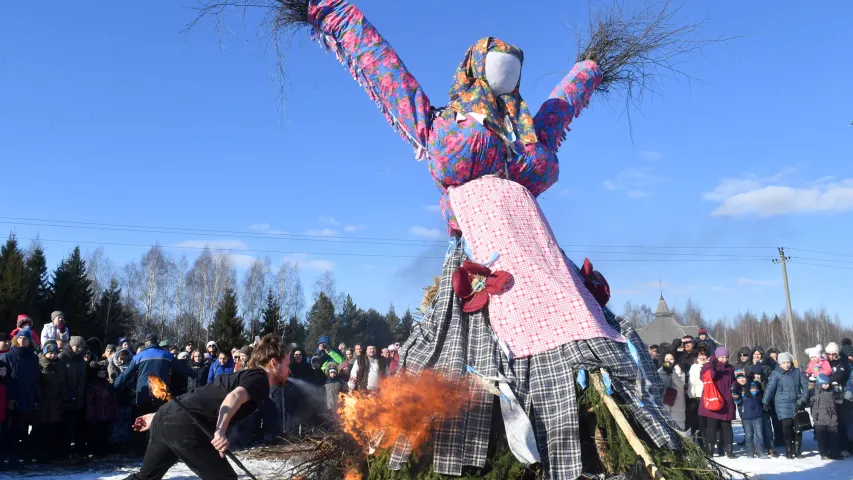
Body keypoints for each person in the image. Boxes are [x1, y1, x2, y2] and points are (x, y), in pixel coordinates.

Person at [122, 335, 291, 480]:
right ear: (274, 363)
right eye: (287, 365)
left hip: (168, 416)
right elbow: (233, 397)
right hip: (185, 425)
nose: (289, 371)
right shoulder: (260, 379)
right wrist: (220, 431)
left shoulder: (244, 375)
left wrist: (158, 415)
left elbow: (197, 395)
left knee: (145, 477)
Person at [114, 333, 198, 456]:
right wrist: (194, 374)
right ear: (156, 342)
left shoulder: (139, 356)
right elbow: (183, 368)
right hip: (160, 395)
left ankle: (140, 450)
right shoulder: (166, 355)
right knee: (159, 421)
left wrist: (113, 387)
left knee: (141, 421)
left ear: (146, 343)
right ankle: (159, 450)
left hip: (143, 395)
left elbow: (125, 375)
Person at [0, 327, 39, 465]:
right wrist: (10, 398)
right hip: (12, 398)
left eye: (25, 338)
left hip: (27, 397)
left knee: (21, 429)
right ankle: (5, 456)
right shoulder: (7, 356)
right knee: (8, 429)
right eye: (20, 338)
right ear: (16, 340)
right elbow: (5, 380)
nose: (22, 340)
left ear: (30, 341)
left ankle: (16, 457)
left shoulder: (34, 358)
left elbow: (35, 379)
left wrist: (35, 397)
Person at [763, 352, 809, 459]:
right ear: (779, 364)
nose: (786, 365)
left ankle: (797, 450)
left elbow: (805, 387)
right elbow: (770, 388)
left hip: (797, 403)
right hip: (782, 403)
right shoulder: (776, 373)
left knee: (798, 427)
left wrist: (803, 399)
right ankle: (789, 449)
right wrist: (765, 401)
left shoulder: (797, 372)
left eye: (788, 362)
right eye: (783, 363)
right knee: (787, 425)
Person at [699, 347, 736, 458]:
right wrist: (714, 368)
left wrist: (735, 385)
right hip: (712, 399)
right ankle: (710, 449)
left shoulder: (730, 368)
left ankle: (729, 449)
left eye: (726, 357)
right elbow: (705, 378)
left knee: (727, 426)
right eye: (722, 357)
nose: (724, 360)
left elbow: (734, 380)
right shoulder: (708, 366)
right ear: (716, 356)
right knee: (711, 426)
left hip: (726, 400)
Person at [34, 341, 66, 463]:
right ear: (45, 353)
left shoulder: (60, 366)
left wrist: (63, 397)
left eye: (54, 353)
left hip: (55, 401)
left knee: (52, 428)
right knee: (40, 428)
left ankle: (50, 453)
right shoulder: (40, 365)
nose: (53, 355)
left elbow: (62, 383)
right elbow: (37, 382)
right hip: (43, 400)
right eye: (50, 353)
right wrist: (39, 396)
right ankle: (38, 454)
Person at [59, 335, 89, 459]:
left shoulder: (81, 359)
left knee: (78, 425)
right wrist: (66, 394)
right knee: (66, 426)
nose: (79, 349)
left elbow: (83, 378)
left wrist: (80, 393)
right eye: (77, 346)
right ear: (71, 345)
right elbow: (61, 379)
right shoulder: (63, 358)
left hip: (79, 397)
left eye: (81, 347)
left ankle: (77, 450)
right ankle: (64, 450)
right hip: (65, 397)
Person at [732, 371, 767, 459]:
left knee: (759, 433)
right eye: (739, 378)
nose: (741, 380)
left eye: (743, 377)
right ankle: (750, 451)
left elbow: (757, 396)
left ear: (746, 378)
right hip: (746, 415)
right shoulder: (737, 389)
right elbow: (738, 402)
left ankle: (760, 451)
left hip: (757, 413)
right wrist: (734, 393)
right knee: (748, 434)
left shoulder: (753, 385)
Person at [810, 373, 842, 460]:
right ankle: (824, 453)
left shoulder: (832, 392)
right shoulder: (814, 393)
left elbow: (839, 400)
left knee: (834, 436)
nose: (826, 385)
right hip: (819, 418)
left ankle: (835, 453)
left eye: (828, 383)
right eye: (824, 384)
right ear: (819, 383)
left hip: (832, 417)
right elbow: (810, 403)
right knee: (822, 437)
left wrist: (838, 391)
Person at [658, 352, 686, 431]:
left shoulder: (679, 370)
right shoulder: (660, 371)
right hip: (664, 404)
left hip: (677, 405)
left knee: (678, 430)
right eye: (667, 359)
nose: (669, 361)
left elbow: (681, 385)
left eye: (671, 359)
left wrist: (672, 373)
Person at [687, 345, 709, 443]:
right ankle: (697, 441)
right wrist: (692, 396)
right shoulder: (694, 367)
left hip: (709, 396)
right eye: (700, 355)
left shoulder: (710, 366)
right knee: (697, 421)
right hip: (697, 397)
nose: (702, 357)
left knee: (707, 422)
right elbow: (691, 382)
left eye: (704, 355)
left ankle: (706, 442)